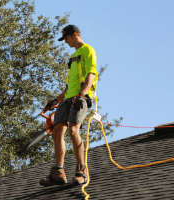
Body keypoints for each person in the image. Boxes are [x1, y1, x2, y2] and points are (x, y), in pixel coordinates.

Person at [39, 25, 98, 186]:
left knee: (73, 130)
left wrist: (82, 95)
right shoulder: (73, 57)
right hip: (68, 99)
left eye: (66, 38)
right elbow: (68, 87)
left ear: (75, 35)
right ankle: (58, 172)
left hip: (80, 98)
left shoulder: (88, 51)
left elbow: (90, 75)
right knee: (57, 130)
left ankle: (82, 171)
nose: (65, 42)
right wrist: (55, 101)